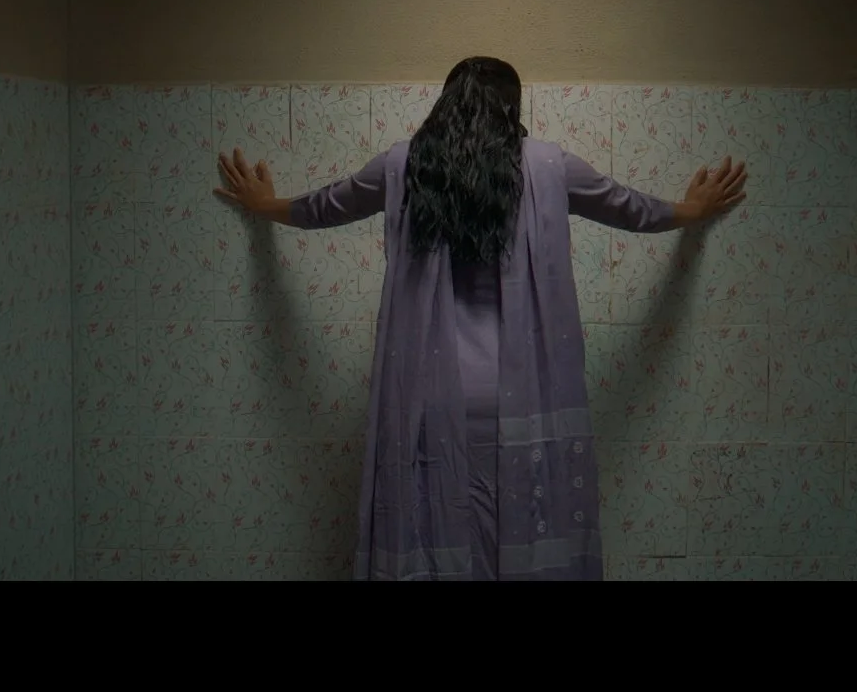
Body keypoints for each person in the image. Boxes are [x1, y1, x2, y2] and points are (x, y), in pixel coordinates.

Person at [212, 57, 747, 580]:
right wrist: (691, 210)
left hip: (430, 393)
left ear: (444, 104)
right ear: (513, 107)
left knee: (442, 528)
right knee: (514, 529)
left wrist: (265, 205)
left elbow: (326, 206)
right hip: (525, 394)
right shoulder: (551, 166)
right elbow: (630, 208)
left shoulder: (402, 166)